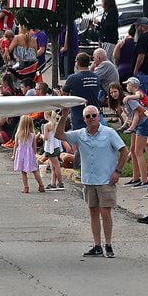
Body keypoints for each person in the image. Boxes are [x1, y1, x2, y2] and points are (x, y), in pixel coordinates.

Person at [55, 105, 130, 258]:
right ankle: (97, 245)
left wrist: (118, 171)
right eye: (88, 116)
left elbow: (124, 150)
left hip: (106, 179)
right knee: (93, 212)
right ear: (84, 119)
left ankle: (108, 244)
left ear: (98, 116)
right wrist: (64, 116)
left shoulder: (109, 133)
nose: (91, 119)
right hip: (89, 179)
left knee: (105, 212)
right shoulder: (80, 134)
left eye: (93, 115)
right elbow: (59, 135)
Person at [61, 52, 102, 129]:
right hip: (94, 113)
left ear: (78, 63)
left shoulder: (72, 78)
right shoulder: (96, 77)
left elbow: (64, 93)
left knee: (79, 137)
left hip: (78, 114)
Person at [13, 115, 45, 193]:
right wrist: (34, 154)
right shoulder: (32, 135)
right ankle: (41, 185)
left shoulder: (18, 134)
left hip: (21, 154)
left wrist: (14, 155)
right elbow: (34, 146)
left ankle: (26, 187)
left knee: (23, 172)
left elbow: (16, 145)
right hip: (29, 154)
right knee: (34, 170)